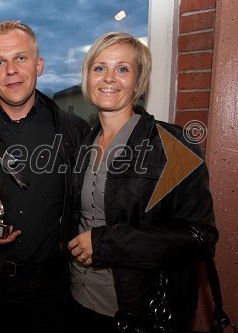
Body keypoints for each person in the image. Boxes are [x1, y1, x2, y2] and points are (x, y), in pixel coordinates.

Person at [66, 31, 218, 332]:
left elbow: (200, 237)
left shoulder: (172, 143)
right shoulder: (82, 144)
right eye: (99, 67)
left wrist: (109, 242)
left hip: (137, 314)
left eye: (122, 68)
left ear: (138, 81)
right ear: (88, 77)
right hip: (76, 302)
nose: (109, 78)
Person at [0, 20, 90, 333]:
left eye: (21, 58)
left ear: (39, 65)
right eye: (0, 62)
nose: (11, 70)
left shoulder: (74, 131)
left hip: (53, 289)